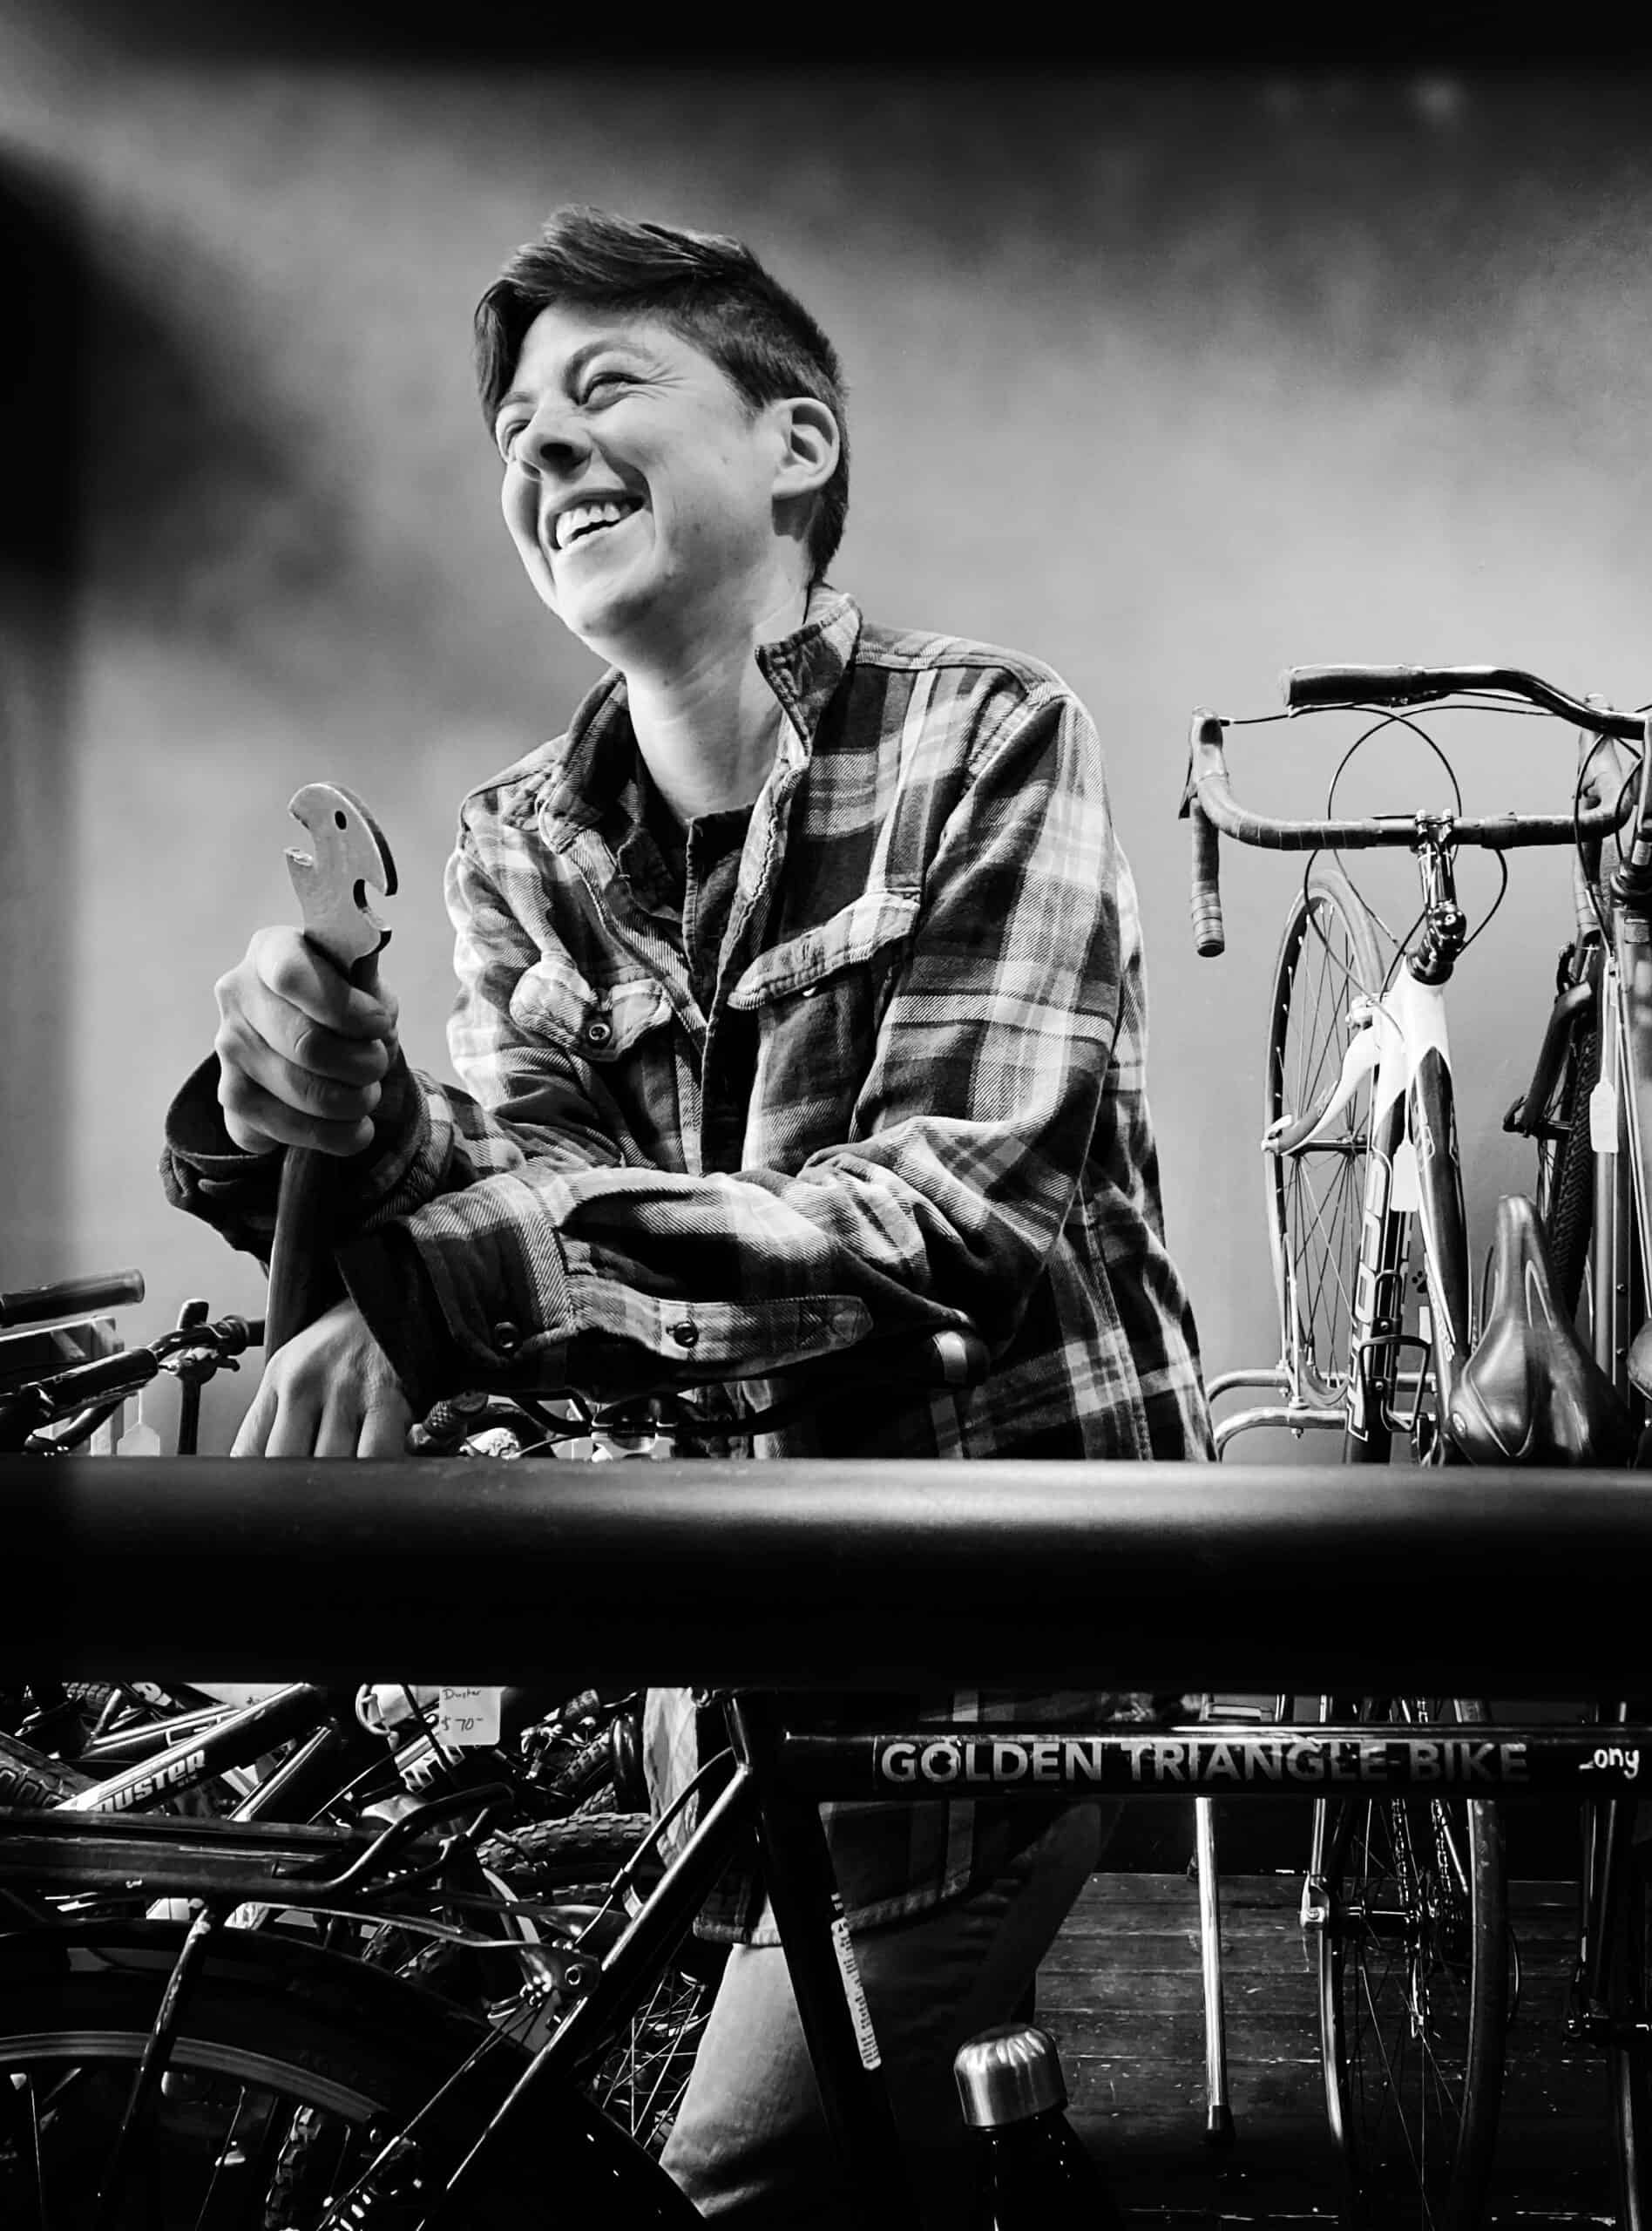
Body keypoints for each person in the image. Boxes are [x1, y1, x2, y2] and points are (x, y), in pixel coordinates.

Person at [161, 205, 1209, 2223]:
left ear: (794, 441)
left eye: (603, 390)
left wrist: (452, 1269)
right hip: (716, 1671)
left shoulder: (992, 739)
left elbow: (935, 1217)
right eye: (514, 438)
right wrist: (315, 1109)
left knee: (722, 2185)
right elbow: (517, 1186)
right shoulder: (516, 842)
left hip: (987, 1664)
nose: (539, 454)